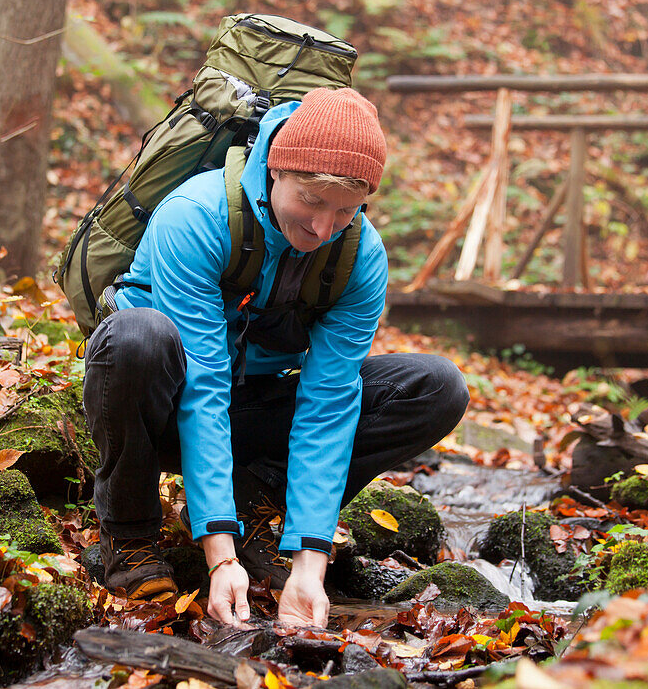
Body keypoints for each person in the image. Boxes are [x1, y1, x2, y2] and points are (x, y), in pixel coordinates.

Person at [83, 87, 469, 628]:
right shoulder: (194, 217)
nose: (322, 228)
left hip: (259, 411)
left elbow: (328, 403)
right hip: (163, 407)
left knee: (436, 385)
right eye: (310, 201)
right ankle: (131, 536)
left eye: (345, 210)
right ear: (274, 170)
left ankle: (257, 503)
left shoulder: (360, 258)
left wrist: (310, 562)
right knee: (135, 338)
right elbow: (203, 385)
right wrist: (222, 558)